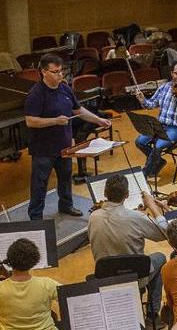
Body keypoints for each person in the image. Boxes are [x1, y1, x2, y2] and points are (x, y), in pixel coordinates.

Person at [24, 53, 113, 220]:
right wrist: (55, 121)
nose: (60, 75)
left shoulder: (65, 88)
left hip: (64, 145)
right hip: (43, 149)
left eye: (61, 71)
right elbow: (30, 121)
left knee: (65, 179)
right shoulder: (36, 94)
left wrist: (98, 119)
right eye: (56, 72)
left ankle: (66, 205)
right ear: (44, 72)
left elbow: (78, 111)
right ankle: (35, 216)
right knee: (39, 184)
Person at [86, 173, 169, 319]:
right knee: (160, 257)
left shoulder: (93, 217)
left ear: (105, 193)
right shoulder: (136, 218)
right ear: (127, 195)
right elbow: (164, 233)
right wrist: (152, 206)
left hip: (105, 276)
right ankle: (152, 315)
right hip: (135, 276)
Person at [134, 60, 177, 178]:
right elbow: (150, 104)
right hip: (160, 125)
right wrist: (142, 100)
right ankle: (159, 161)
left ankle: (145, 173)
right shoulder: (163, 87)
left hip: (176, 129)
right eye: (176, 73)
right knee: (139, 142)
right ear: (172, 73)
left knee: (158, 146)